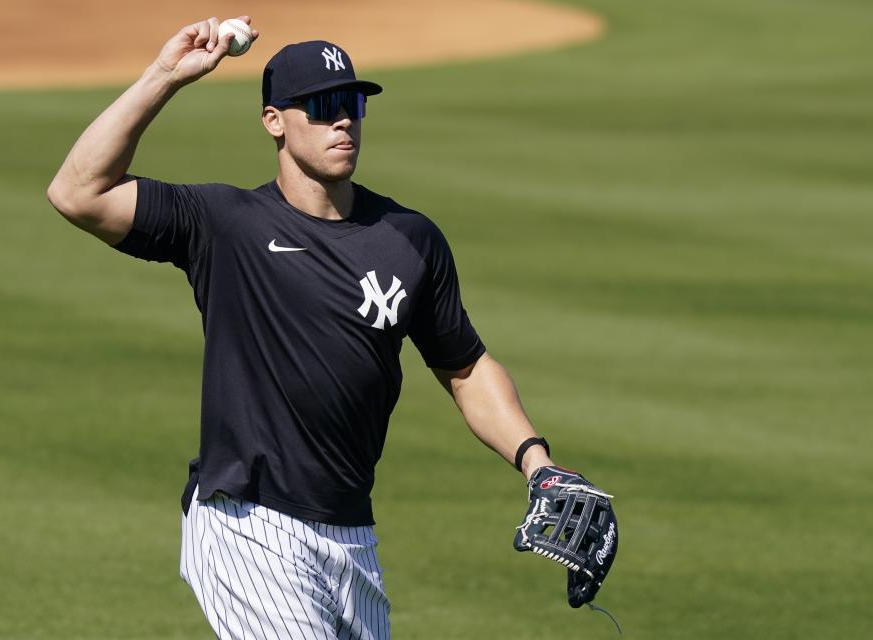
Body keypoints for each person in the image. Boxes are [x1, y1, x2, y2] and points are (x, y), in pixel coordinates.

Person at [47, 16, 566, 640]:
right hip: (249, 526)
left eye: (350, 104)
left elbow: (465, 367)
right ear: (274, 121)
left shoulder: (409, 239)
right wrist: (165, 76)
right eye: (320, 107)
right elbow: (78, 192)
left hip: (353, 537)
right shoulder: (226, 224)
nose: (342, 120)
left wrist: (539, 464)